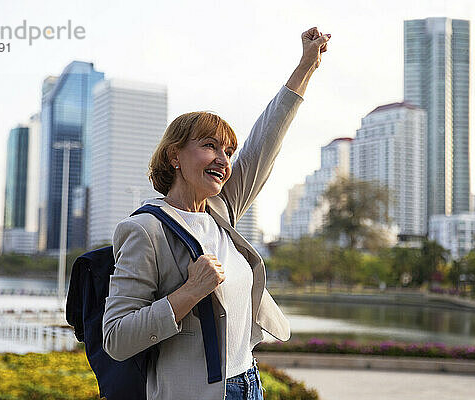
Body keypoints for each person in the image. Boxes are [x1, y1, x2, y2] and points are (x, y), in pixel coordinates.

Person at [102, 27, 331, 400]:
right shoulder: (145, 231)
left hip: (248, 383)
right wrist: (189, 292)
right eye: (210, 147)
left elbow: (266, 139)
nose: (224, 161)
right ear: (174, 156)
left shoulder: (222, 208)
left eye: (228, 151)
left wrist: (306, 66)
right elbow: (116, 337)